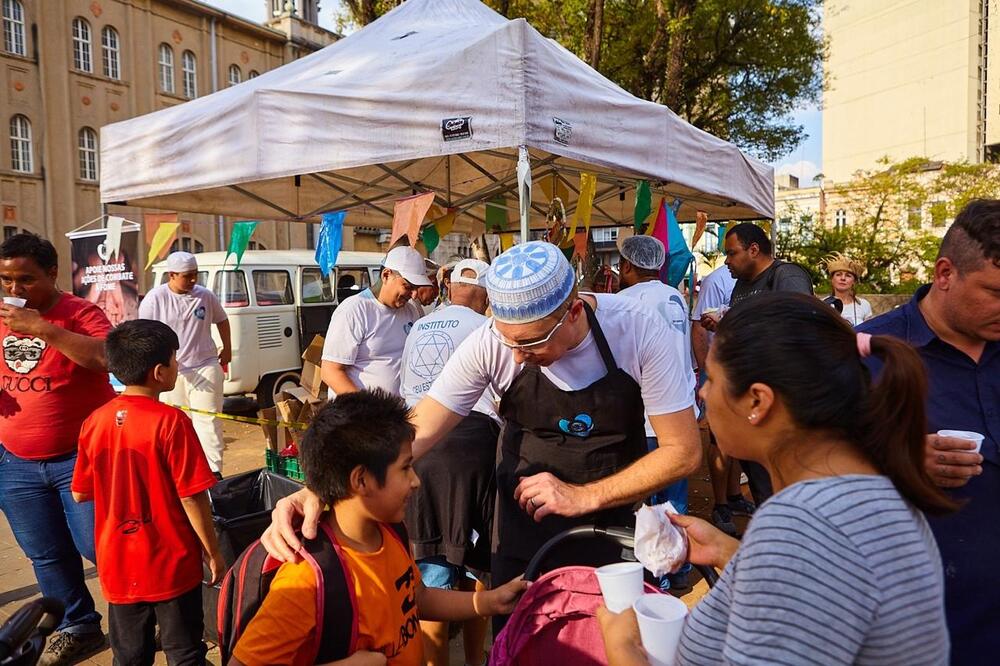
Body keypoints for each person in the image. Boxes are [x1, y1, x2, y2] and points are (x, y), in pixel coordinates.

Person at [264, 241, 701, 632]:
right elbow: (415, 430)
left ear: (572, 312)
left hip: (611, 521)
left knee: (609, 639)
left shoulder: (639, 330)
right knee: (523, 638)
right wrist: (323, 488)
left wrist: (585, 496)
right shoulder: (492, 342)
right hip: (524, 520)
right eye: (508, 341)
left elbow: (682, 452)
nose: (515, 356)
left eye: (530, 343)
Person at [600, 292, 954, 665]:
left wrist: (623, 650)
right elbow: (825, 592)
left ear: (757, 401)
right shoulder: (872, 496)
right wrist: (731, 553)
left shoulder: (802, 527)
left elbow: (810, 559)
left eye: (713, 379)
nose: (702, 391)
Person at [229, 390, 528, 666]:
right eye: (405, 468)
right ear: (360, 480)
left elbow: (417, 598)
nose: (416, 481)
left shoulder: (391, 530)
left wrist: (489, 601)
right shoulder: (305, 580)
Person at [857, 198, 1000, 665]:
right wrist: (895, 462)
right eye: (995, 292)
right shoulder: (870, 353)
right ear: (944, 274)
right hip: (923, 627)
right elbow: (812, 469)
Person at [72, 319, 223, 666]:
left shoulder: (94, 421)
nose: (178, 365)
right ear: (159, 371)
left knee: (128, 655)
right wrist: (213, 552)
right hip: (171, 562)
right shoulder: (172, 422)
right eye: (174, 358)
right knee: (184, 651)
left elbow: (81, 493)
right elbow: (191, 496)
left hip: (118, 562)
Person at [0, 232, 115, 665]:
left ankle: (146, 614)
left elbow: (107, 359)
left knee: (97, 547)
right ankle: (79, 626)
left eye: (25, 280)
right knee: (45, 553)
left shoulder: (80, 312)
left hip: (80, 458)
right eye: (6, 280)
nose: (14, 290)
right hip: (15, 462)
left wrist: (45, 330)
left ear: (52, 273)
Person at [399, 259, 497, 666]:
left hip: (418, 449)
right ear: (486, 295)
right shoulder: (488, 328)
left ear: (450, 289)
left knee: (432, 568)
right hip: (474, 446)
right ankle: (475, 661)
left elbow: (406, 389)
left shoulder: (419, 325)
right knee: (478, 570)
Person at [701, 222, 814, 504]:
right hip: (748, 396)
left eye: (731, 253)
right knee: (760, 480)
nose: (727, 261)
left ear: (754, 249)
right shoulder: (742, 285)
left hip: (780, 402)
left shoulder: (786, 276)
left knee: (784, 483)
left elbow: (799, 326)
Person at [616, 235, 695, 589]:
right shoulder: (676, 297)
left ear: (628, 266)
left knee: (643, 504)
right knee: (674, 502)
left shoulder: (621, 302)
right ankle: (678, 570)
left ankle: (653, 577)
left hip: (644, 417)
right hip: (680, 413)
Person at [138, 251, 231, 476]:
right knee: (178, 423)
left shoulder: (205, 296)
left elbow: (222, 320)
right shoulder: (155, 298)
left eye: (195, 275)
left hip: (205, 365)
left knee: (208, 420)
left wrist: (227, 349)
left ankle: (213, 473)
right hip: (172, 371)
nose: (192, 280)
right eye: (187, 276)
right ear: (171, 275)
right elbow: (143, 332)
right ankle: (184, 472)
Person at [690, 265, 753, 536]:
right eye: (727, 252)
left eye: (732, 253)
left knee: (739, 437)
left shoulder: (761, 281)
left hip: (747, 369)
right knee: (719, 438)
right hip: (722, 369)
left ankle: (735, 494)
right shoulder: (717, 280)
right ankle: (720, 503)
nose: (728, 260)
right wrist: (707, 370)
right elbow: (699, 327)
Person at [322, 246, 428, 397]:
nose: (414, 294)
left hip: (394, 413)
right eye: (408, 287)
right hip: (359, 414)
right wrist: (368, 410)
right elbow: (331, 372)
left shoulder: (411, 311)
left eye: (416, 288)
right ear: (386, 275)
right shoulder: (354, 310)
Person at [825, 252, 873, 326]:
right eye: (838, 275)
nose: (843, 278)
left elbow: (869, 331)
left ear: (854, 281)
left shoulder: (864, 305)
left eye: (848, 276)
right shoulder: (823, 304)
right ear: (832, 279)